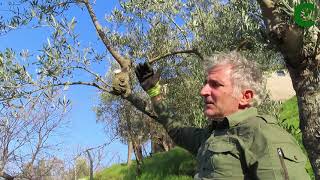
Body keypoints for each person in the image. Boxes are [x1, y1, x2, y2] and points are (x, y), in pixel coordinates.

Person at [122, 51, 310, 179]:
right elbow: (177, 130)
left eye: (215, 85)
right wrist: (155, 94)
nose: (203, 91)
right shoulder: (212, 136)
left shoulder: (264, 134)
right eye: (205, 84)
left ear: (245, 96)